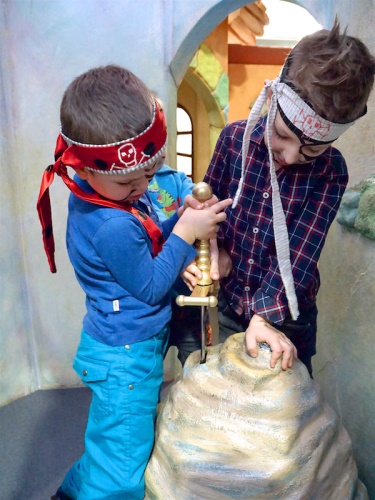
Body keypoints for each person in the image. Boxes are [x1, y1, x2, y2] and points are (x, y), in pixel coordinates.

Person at [36, 65, 231, 500]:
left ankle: (69, 493)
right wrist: (186, 233)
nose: (143, 186)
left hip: (128, 343)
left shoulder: (116, 188)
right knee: (123, 471)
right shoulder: (109, 225)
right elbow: (148, 285)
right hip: (125, 357)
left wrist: (182, 205)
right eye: (130, 181)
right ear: (85, 170)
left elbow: (167, 187)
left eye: (151, 169)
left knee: (110, 446)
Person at [203, 20, 375, 377]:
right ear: (272, 98)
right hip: (229, 300)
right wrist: (214, 250)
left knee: (289, 405)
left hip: (287, 315)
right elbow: (209, 213)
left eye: (312, 149)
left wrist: (265, 318)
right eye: (282, 135)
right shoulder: (234, 139)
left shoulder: (331, 172)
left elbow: (299, 255)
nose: (293, 156)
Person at [148, 163, 206, 365]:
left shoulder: (177, 179)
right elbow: (146, 236)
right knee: (147, 374)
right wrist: (180, 257)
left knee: (196, 368)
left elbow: (197, 214)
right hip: (151, 305)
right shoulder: (128, 185)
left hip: (186, 299)